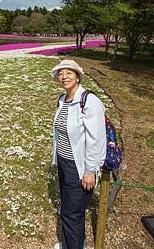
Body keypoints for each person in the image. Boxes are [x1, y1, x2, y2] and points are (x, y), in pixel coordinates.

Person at [51, 59, 106, 249]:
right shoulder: (62, 99)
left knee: (70, 213)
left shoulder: (89, 101)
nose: (64, 76)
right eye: (61, 73)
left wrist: (90, 170)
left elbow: (96, 139)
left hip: (80, 166)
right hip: (64, 162)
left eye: (69, 72)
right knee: (74, 211)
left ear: (78, 75)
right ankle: (74, 244)